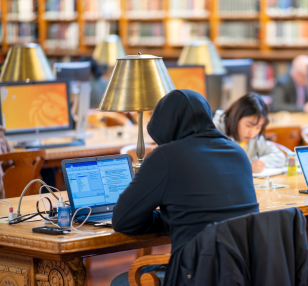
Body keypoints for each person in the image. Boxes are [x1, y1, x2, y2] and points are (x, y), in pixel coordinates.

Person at [111, 89, 260, 285]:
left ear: (164, 124)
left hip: (196, 274)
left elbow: (122, 219)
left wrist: (168, 217)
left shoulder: (166, 156)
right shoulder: (237, 152)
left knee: (121, 281)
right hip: (244, 272)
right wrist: (177, 215)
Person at [213, 93, 286, 173]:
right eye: (248, 126)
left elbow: (280, 156)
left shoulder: (256, 138)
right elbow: (214, 163)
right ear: (236, 117)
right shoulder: (215, 131)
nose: (252, 133)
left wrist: (261, 162)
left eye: (258, 127)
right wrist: (246, 166)